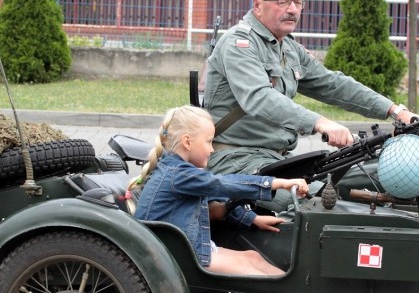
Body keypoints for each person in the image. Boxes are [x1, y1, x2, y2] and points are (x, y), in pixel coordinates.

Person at [203, 0, 419, 191]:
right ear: (258, 5)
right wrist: (320, 123)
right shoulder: (239, 43)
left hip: (273, 159)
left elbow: (333, 84)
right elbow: (259, 97)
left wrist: (396, 111)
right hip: (235, 161)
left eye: (298, 2)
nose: (292, 10)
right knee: (314, 207)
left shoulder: (287, 47)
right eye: (282, 2)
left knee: (356, 186)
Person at [131, 105, 309, 277]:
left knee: (252, 257)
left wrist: (252, 218)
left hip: (187, 248)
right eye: (209, 142)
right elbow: (222, 184)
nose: (212, 149)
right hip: (172, 257)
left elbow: (215, 200)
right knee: (251, 272)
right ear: (187, 142)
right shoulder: (177, 175)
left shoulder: (180, 172)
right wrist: (278, 183)